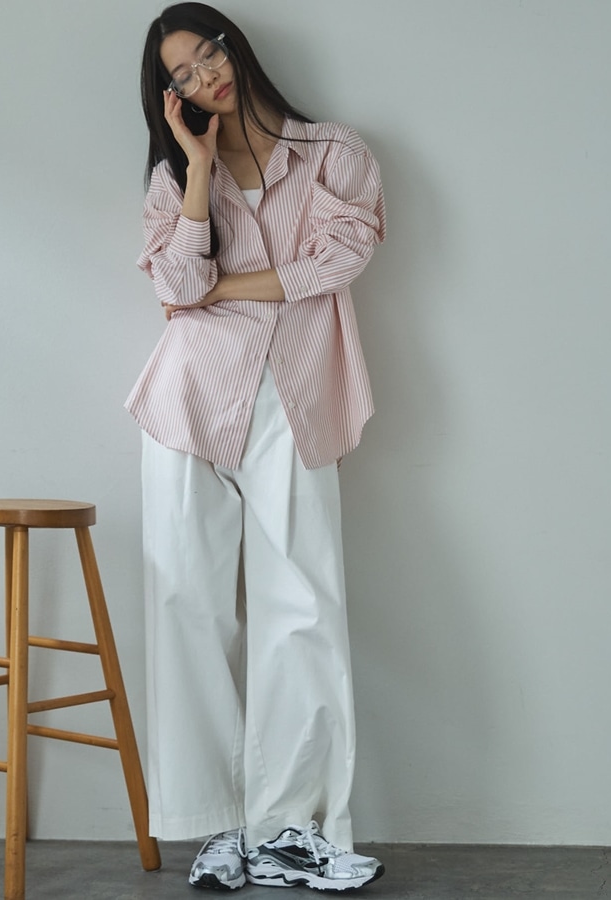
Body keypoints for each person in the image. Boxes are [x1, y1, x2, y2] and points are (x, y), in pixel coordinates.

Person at [125, 2, 387, 891]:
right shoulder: (173, 178)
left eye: (210, 53)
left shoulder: (333, 154)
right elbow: (175, 281)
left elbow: (339, 259)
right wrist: (199, 167)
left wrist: (221, 289)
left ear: (234, 46)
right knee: (185, 603)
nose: (206, 76)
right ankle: (214, 827)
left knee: (302, 603)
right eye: (183, 74)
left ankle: (290, 827)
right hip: (189, 400)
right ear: (170, 96)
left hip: (296, 397)